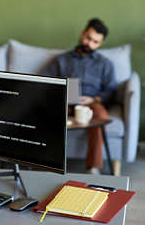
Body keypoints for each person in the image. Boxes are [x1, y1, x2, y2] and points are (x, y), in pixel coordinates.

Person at [44, 18, 118, 175]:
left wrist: (94, 99)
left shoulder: (105, 64)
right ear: (82, 33)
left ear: (101, 43)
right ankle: (48, 162)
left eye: (95, 42)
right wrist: (60, 95)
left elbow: (111, 91)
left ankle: (93, 167)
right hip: (65, 102)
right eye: (88, 38)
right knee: (49, 112)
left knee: (101, 115)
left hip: (90, 103)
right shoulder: (61, 60)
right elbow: (45, 83)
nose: (90, 44)